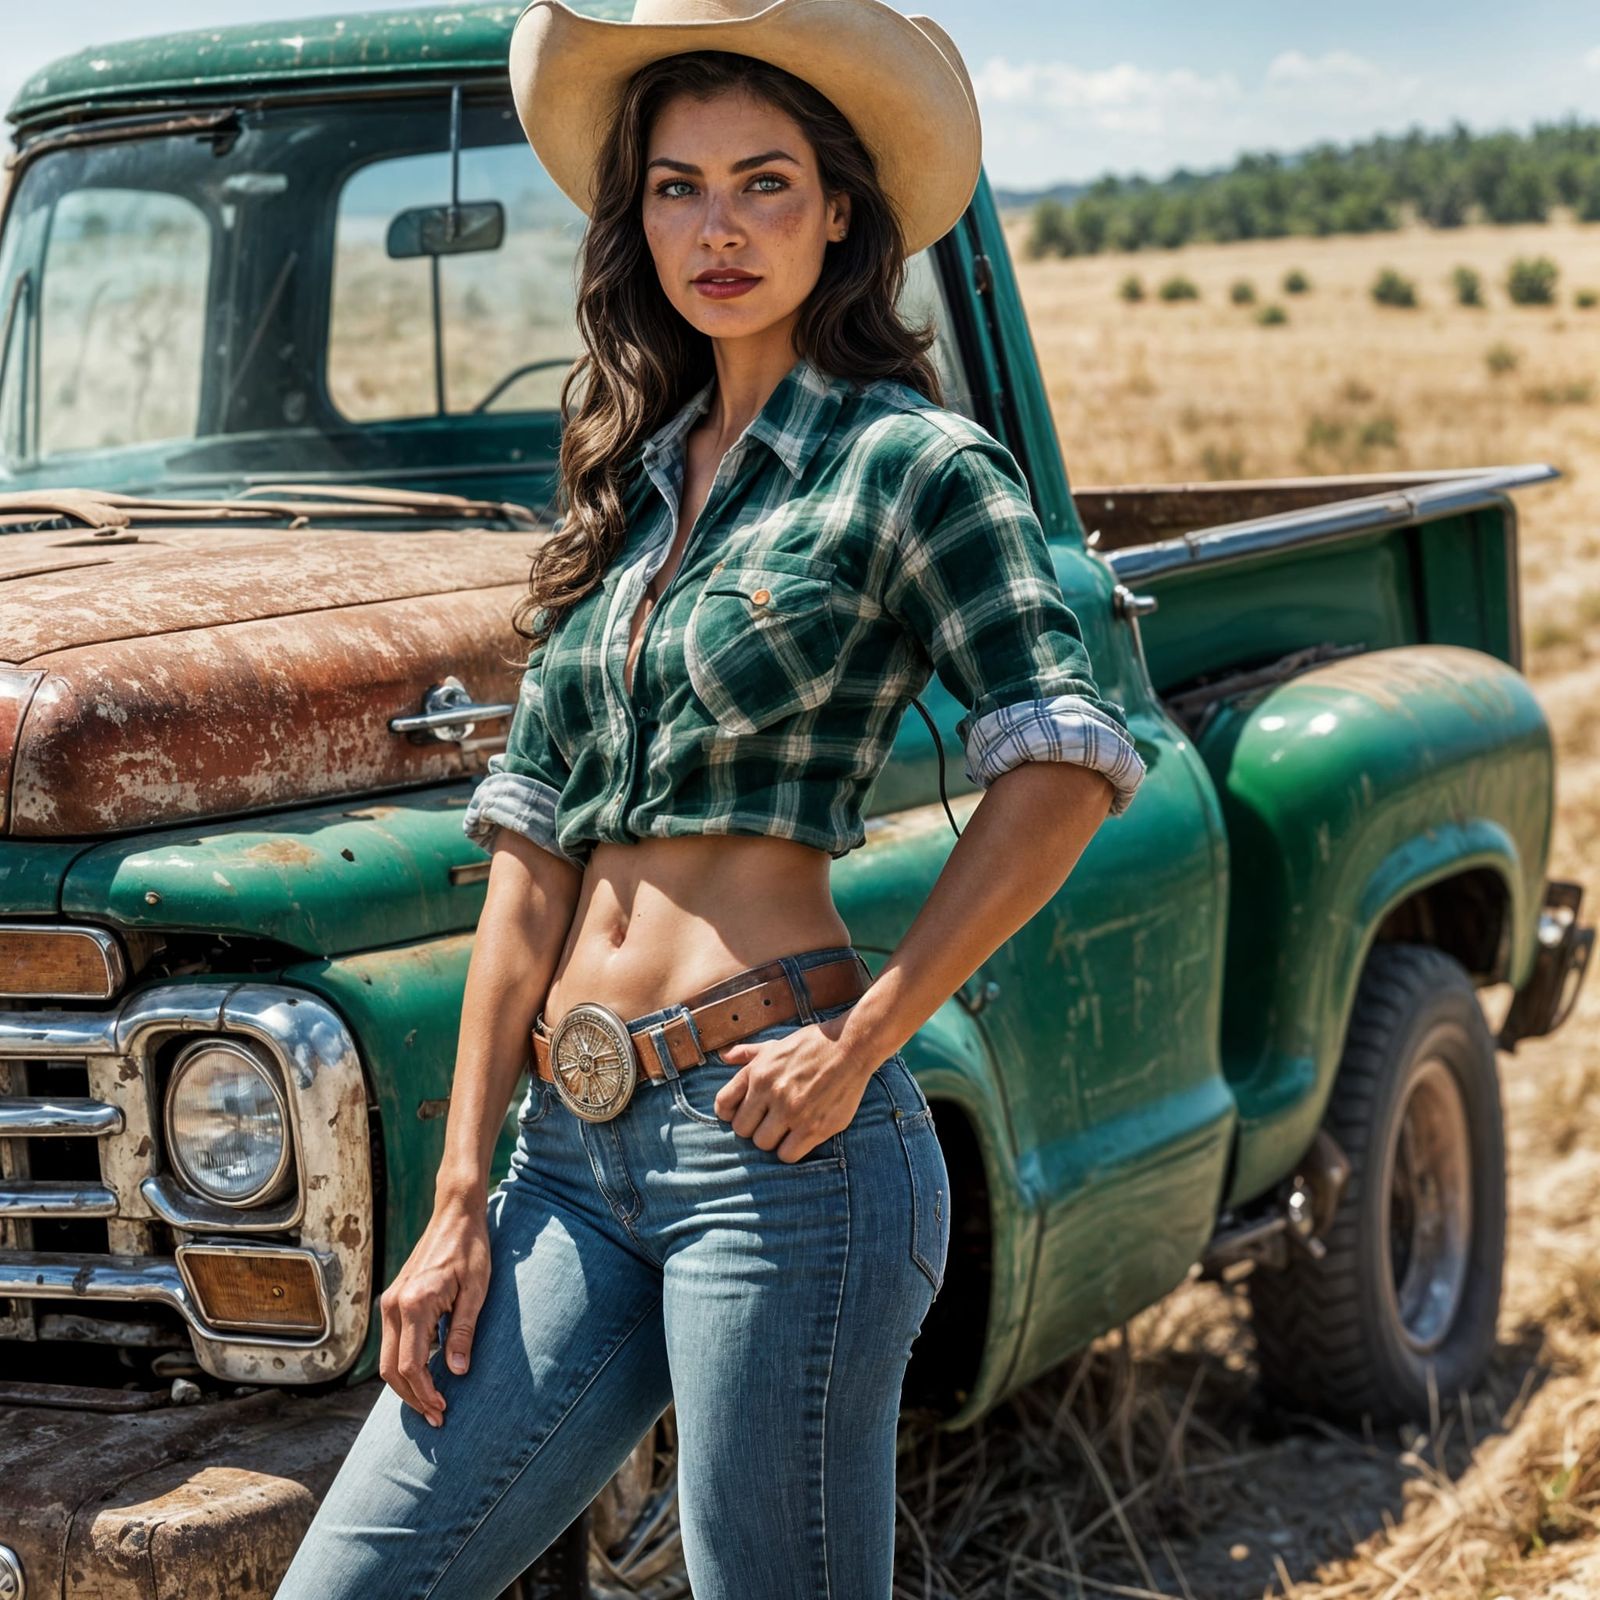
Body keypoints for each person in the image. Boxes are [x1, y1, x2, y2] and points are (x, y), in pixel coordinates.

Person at [275, 0, 1146, 1595]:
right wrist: (457, 1197)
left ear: (837, 212)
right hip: (566, 1156)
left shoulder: (912, 467)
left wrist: (869, 1034)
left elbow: (1069, 757)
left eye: (763, 183)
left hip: (781, 1148)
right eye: (677, 187)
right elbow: (530, 861)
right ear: (636, 221)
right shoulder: (621, 489)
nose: (718, 227)